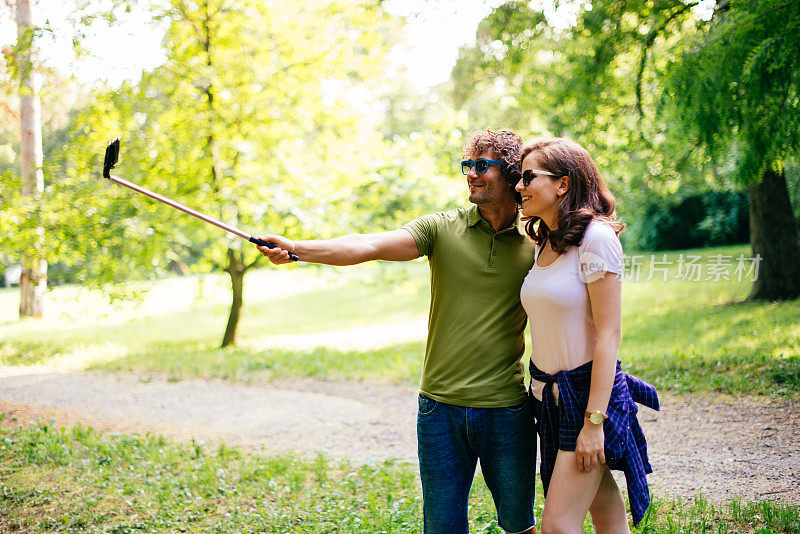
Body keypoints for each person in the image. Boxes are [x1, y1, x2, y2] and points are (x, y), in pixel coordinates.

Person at [257, 129, 538, 534]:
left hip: (507, 410)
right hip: (439, 409)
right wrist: (299, 248)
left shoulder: (537, 240)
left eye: (482, 166)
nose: (471, 175)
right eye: (467, 166)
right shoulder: (441, 229)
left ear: (511, 172)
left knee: (519, 526)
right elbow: (368, 244)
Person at [514, 137, 659, 533]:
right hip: (546, 397)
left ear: (563, 183)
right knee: (604, 504)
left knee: (558, 526)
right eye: (517, 177)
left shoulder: (596, 239)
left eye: (528, 177)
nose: (518, 186)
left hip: (585, 396)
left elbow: (609, 336)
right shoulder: (545, 240)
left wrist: (594, 422)